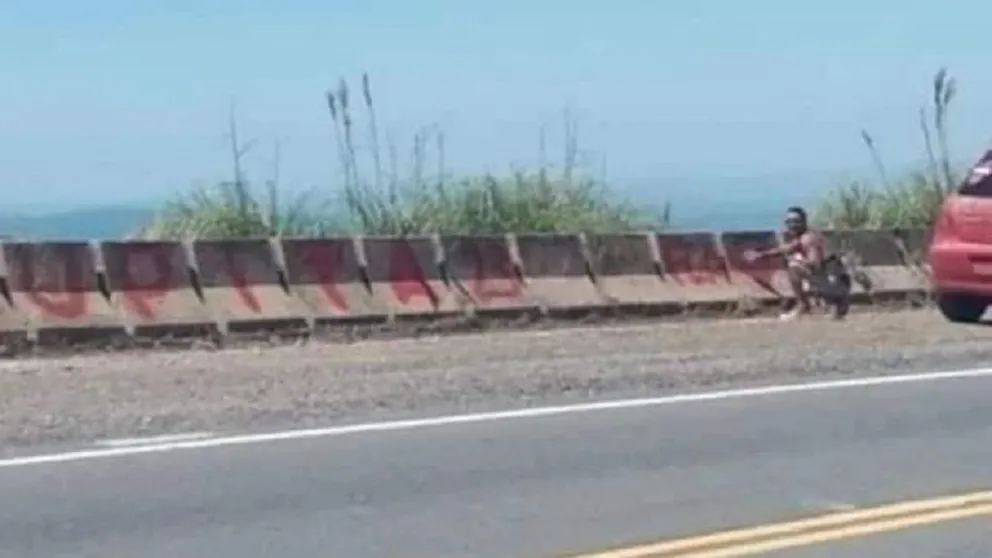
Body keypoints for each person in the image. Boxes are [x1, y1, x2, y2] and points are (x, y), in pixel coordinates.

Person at [743, 206, 850, 320]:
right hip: (835, 283)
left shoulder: (808, 239)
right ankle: (828, 304)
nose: (791, 225)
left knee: (793, 266)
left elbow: (815, 264)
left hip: (834, 284)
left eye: (795, 221)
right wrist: (761, 255)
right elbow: (786, 249)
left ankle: (804, 304)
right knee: (793, 260)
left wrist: (796, 260)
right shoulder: (803, 237)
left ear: (804, 222)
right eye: (788, 222)